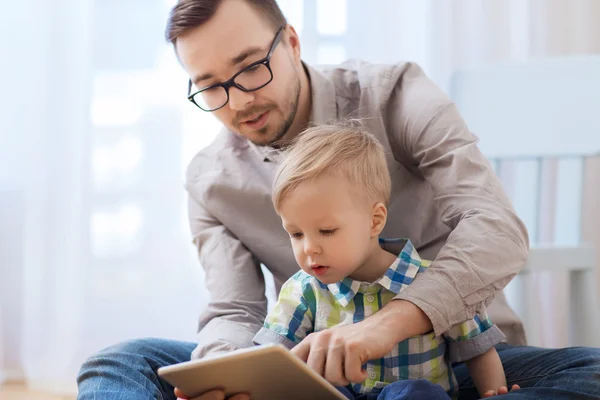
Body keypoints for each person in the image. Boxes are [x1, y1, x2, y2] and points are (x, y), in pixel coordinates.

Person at [76, 0, 600, 399]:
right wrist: (225, 374)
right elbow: (235, 308)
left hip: (448, 359)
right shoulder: (211, 179)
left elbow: (496, 227)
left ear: (293, 42)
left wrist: (389, 323)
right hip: (310, 372)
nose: (240, 100)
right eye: (211, 86)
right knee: (121, 363)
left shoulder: (395, 94)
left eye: (251, 66)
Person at [252, 123, 519, 399]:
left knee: (417, 392)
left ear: (375, 220)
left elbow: (478, 350)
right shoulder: (303, 291)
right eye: (295, 234)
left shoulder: (434, 283)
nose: (309, 248)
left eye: (327, 231)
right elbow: (271, 359)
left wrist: (493, 392)